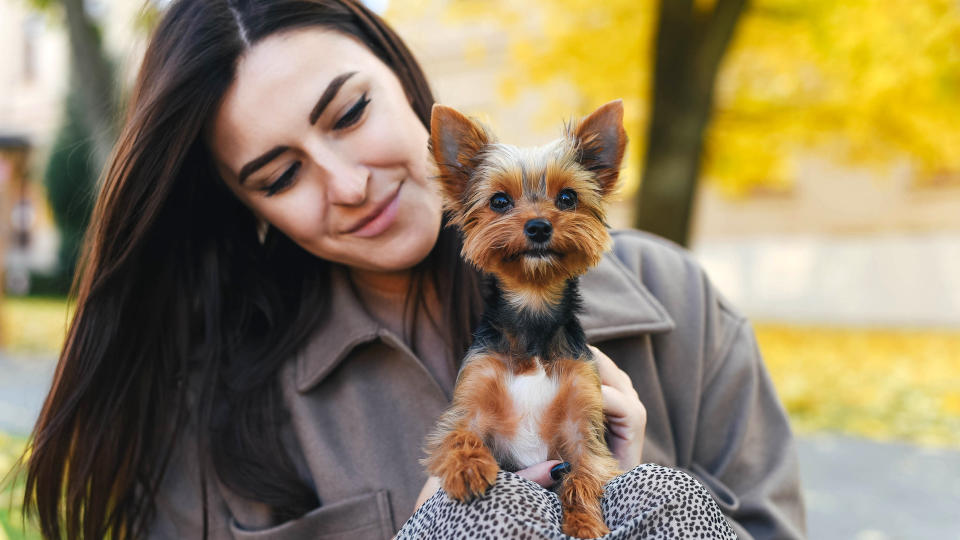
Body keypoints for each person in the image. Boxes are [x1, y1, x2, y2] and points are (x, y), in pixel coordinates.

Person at [20, 0, 806, 538]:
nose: (349, 185)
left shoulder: (675, 305)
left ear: (402, 78)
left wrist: (625, 490)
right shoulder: (217, 410)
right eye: (279, 175)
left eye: (351, 113)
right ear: (247, 209)